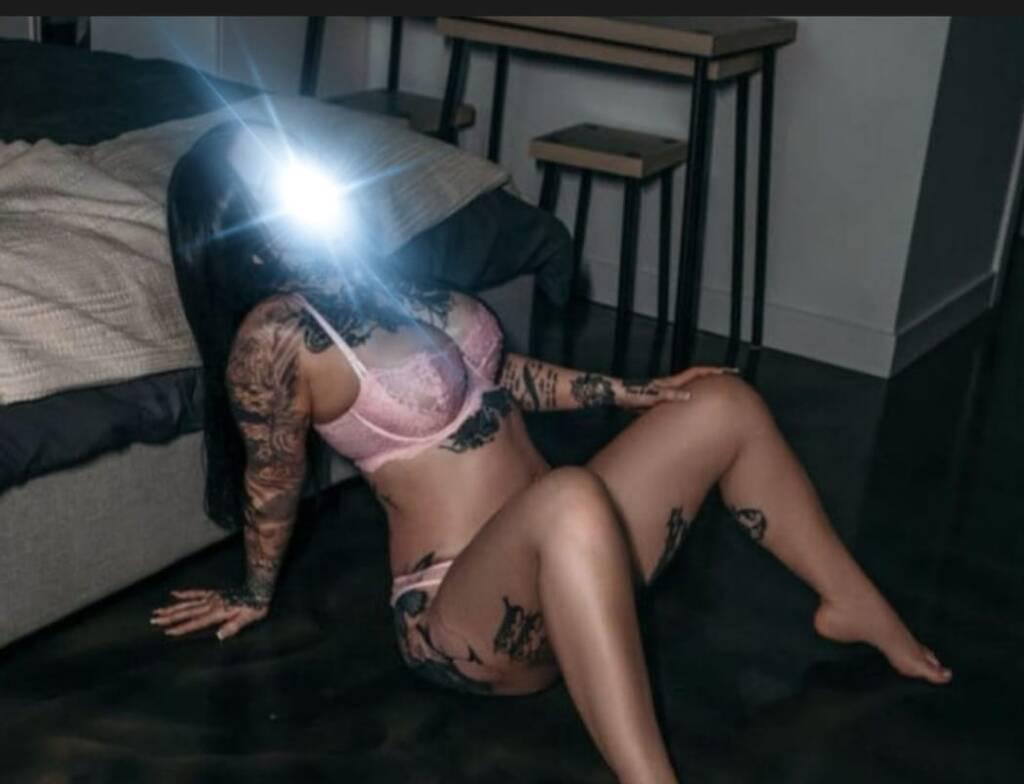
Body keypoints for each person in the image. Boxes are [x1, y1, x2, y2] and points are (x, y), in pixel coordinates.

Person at [152, 121, 951, 784]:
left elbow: (497, 378)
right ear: (248, 239)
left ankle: (855, 608)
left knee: (719, 403)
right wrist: (254, 591)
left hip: (579, 566)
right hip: (466, 619)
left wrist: (634, 392)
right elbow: (272, 477)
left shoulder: (371, 277)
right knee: (569, 495)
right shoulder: (275, 336)